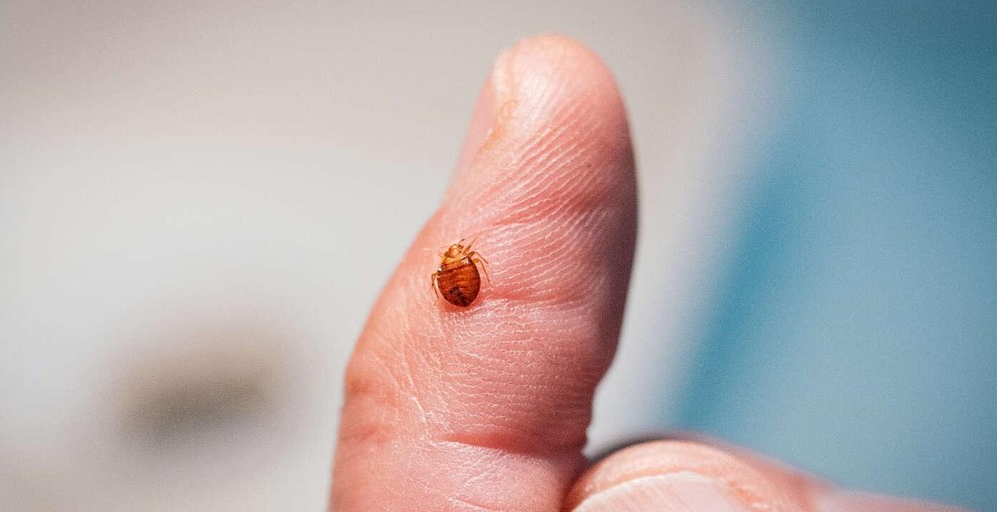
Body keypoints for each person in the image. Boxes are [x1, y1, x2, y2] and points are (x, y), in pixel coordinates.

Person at [329, 35, 965, 511]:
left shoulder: (461, 267)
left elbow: (462, 285)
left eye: (458, 263)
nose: (457, 264)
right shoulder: (463, 268)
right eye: (457, 264)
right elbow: (463, 286)